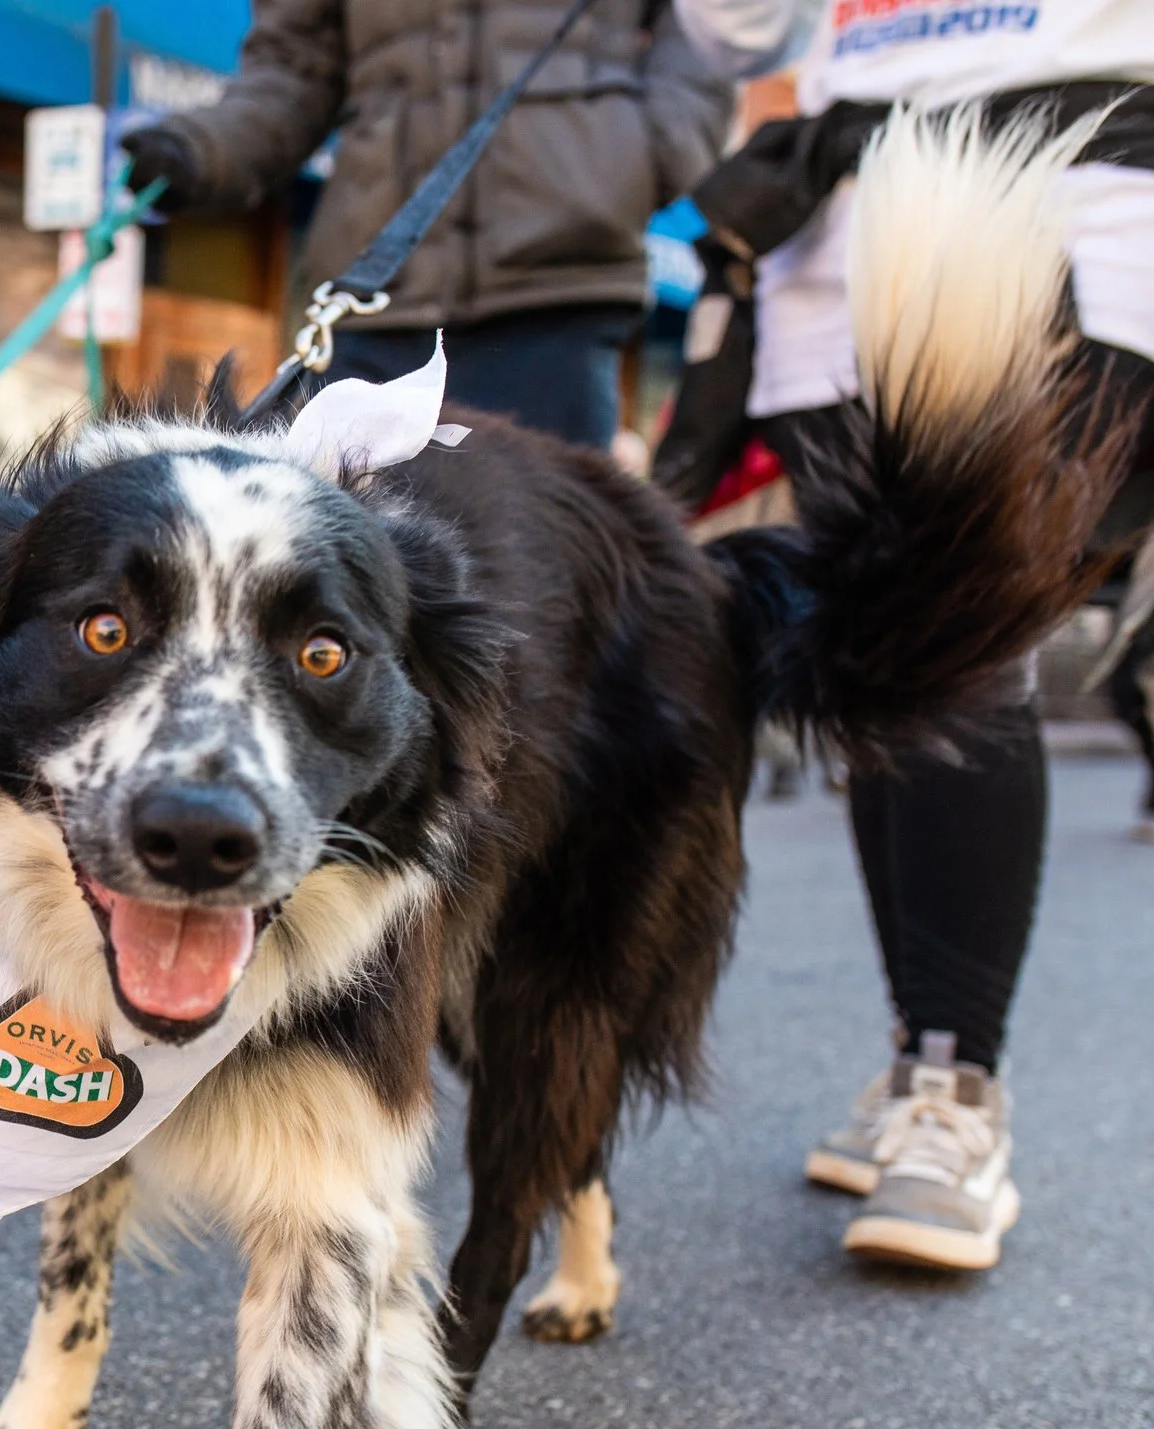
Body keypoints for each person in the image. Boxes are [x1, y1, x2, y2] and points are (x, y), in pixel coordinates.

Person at [670, 0, 1154, 1269]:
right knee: (881, 660)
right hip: (846, 235)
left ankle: (955, 1090)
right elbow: (734, 33)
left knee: (968, 634)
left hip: (1064, 193)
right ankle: (919, 1055)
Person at [119, 0, 734, 449]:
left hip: (559, 296)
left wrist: (637, 163)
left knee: (545, 581)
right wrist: (207, 150)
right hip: (376, 304)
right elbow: (291, 73)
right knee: (358, 575)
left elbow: (706, 46)